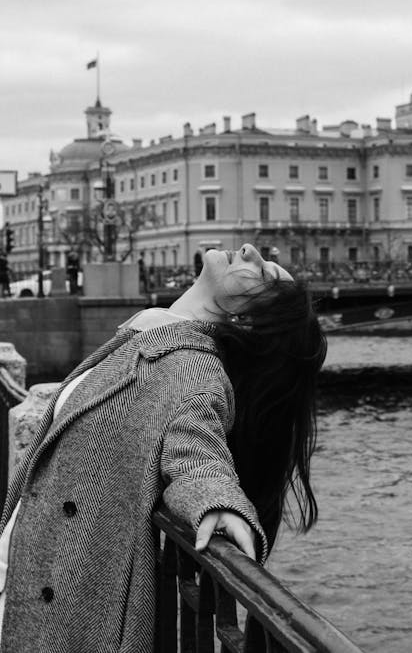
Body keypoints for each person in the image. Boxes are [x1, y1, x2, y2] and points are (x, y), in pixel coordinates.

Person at [0, 243, 326, 652]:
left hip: (58, 605)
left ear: (244, 320)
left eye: (264, 273)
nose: (250, 250)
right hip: (30, 573)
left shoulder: (192, 367)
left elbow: (195, 446)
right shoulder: (155, 336)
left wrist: (215, 500)